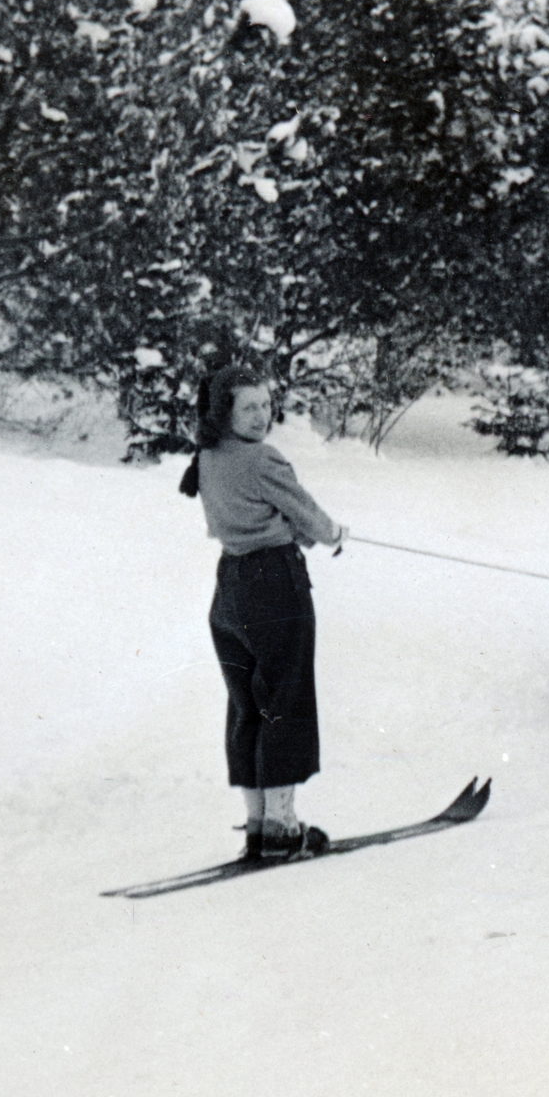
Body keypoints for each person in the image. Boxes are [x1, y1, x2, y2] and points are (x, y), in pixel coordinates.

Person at [180, 362, 345, 863]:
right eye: (247, 406)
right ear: (223, 410)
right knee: (285, 697)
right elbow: (307, 515)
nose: (260, 415)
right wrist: (332, 534)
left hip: (230, 586)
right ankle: (282, 827)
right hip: (274, 583)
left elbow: (249, 515)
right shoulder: (263, 459)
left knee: (247, 701)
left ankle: (258, 822)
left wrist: (293, 531)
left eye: (266, 404)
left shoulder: (207, 457)